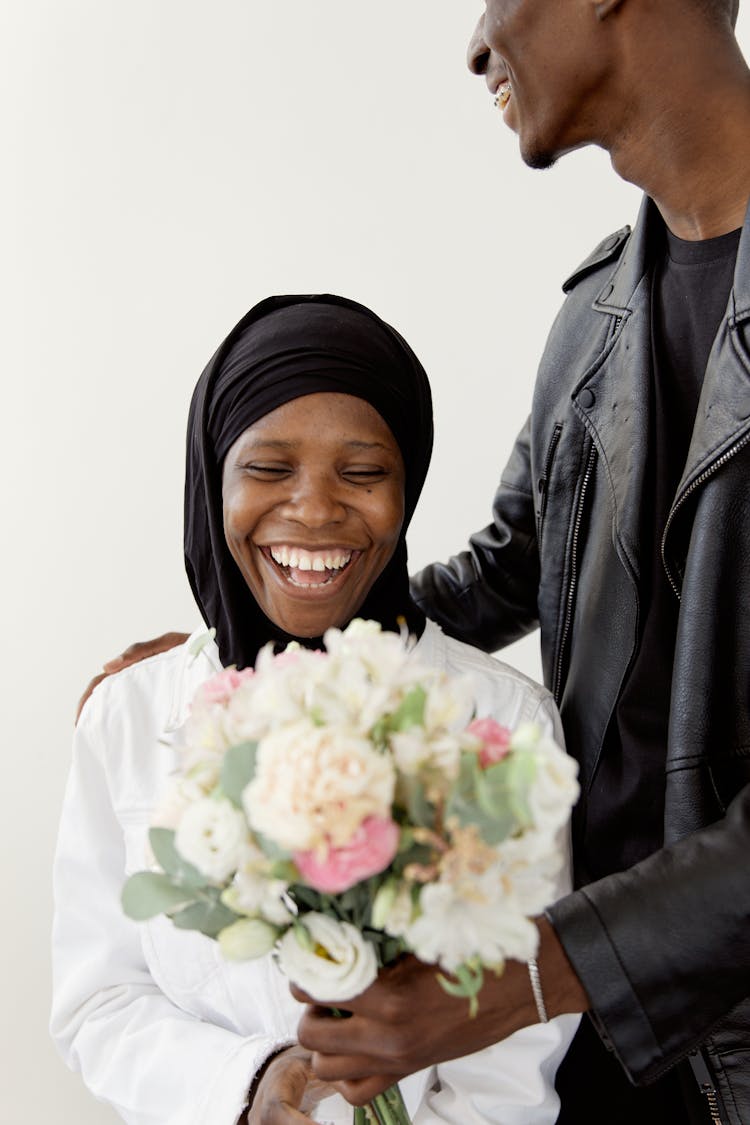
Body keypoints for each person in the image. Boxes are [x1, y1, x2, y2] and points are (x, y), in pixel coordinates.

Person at [88, 1, 750, 1121]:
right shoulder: (597, 311)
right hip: (602, 1049)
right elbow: (508, 565)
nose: (478, 40)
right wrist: (267, 657)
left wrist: (531, 977)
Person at [52, 294, 579, 1125]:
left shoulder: (501, 726)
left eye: (364, 473)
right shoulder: (128, 715)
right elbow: (99, 1002)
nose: (316, 508)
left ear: (408, 488)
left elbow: (513, 1061)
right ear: (211, 476)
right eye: (267, 469)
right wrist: (248, 1083)